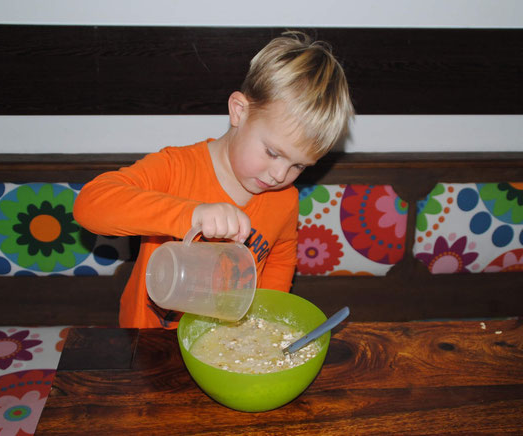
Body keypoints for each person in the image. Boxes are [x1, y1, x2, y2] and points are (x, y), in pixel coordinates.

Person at [73, 31, 354, 328]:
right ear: (239, 111)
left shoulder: (284, 198)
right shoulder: (176, 167)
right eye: (272, 152)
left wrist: (259, 319)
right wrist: (189, 215)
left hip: (225, 344)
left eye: (299, 165)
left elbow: (281, 257)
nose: (280, 175)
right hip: (149, 341)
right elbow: (90, 205)